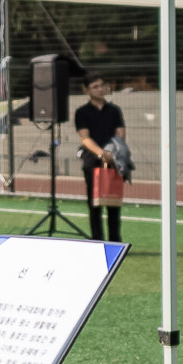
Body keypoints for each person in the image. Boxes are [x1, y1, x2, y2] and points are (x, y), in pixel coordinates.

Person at [72, 72, 126, 242]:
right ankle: (97, 240)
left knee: (113, 203)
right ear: (86, 90)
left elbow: (120, 132)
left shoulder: (114, 110)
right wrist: (101, 153)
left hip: (114, 161)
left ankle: (115, 241)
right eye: (95, 87)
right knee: (94, 204)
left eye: (102, 85)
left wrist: (112, 152)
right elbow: (84, 137)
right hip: (92, 162)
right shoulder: (82, 112)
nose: (100, 89)